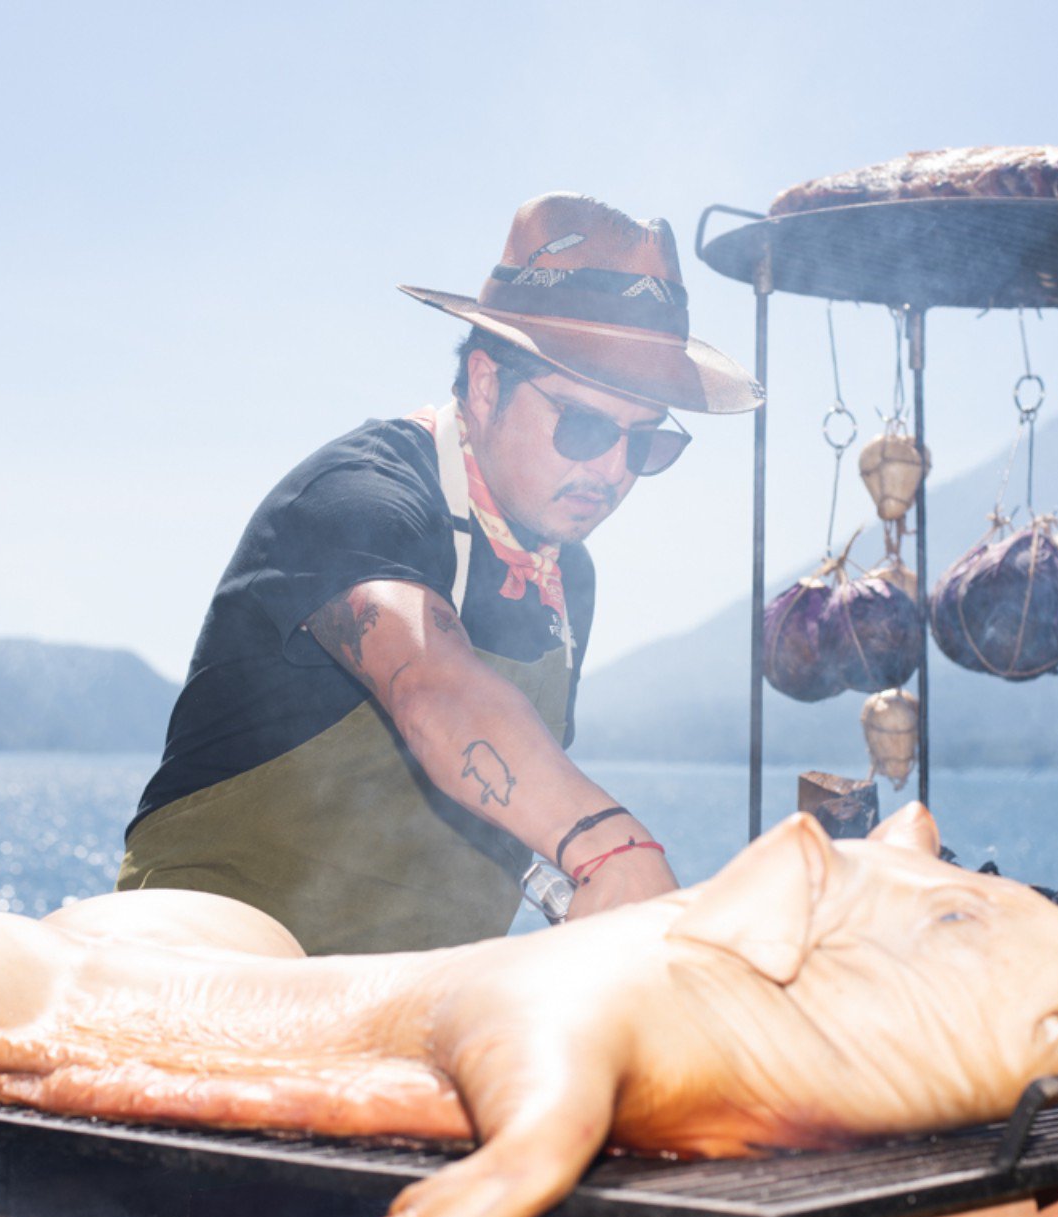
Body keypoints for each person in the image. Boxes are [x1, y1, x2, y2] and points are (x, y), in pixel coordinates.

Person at [118, 193, 763, 954]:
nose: (615, 470)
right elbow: (432, 689)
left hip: (414, 1003)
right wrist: (609, 846)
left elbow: (503, 797)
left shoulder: (568, 579)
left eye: (647, 443)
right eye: (586, 427)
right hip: (210, 960)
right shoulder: (361, 497)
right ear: (486, 385)